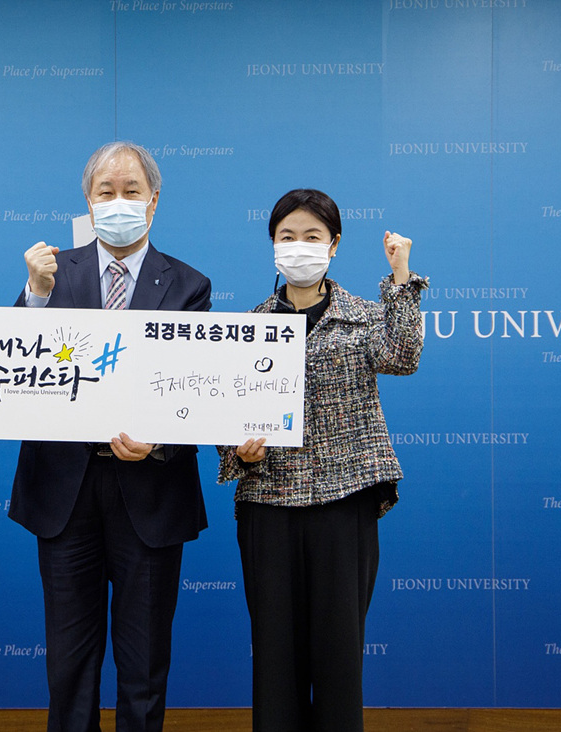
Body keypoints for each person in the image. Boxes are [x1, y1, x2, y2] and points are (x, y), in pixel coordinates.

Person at [10, 141, 211, 732]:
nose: (118, 201)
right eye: (106, 191)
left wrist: (160, 441)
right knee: (68, 664)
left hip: (150, 490)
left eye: (131, 191)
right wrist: (34, 293)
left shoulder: (189, 284)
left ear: (153, 201)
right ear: (87, 200)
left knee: (144, 662)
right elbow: (14, 367)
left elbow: (196, 391)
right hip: (64, 491)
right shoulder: (50, 273)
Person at [218, 188, 426, 732]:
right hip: (269, 505)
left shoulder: (363, 318)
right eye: (287, 236)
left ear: (333, 245)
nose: (299, 246)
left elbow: (404, 356)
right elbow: (223, 419)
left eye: (312, 236)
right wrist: (238, 450)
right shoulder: (247, 327)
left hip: (344, 504)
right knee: (275, 661)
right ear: (272, 245)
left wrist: (401, 276)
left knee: (339, 659)